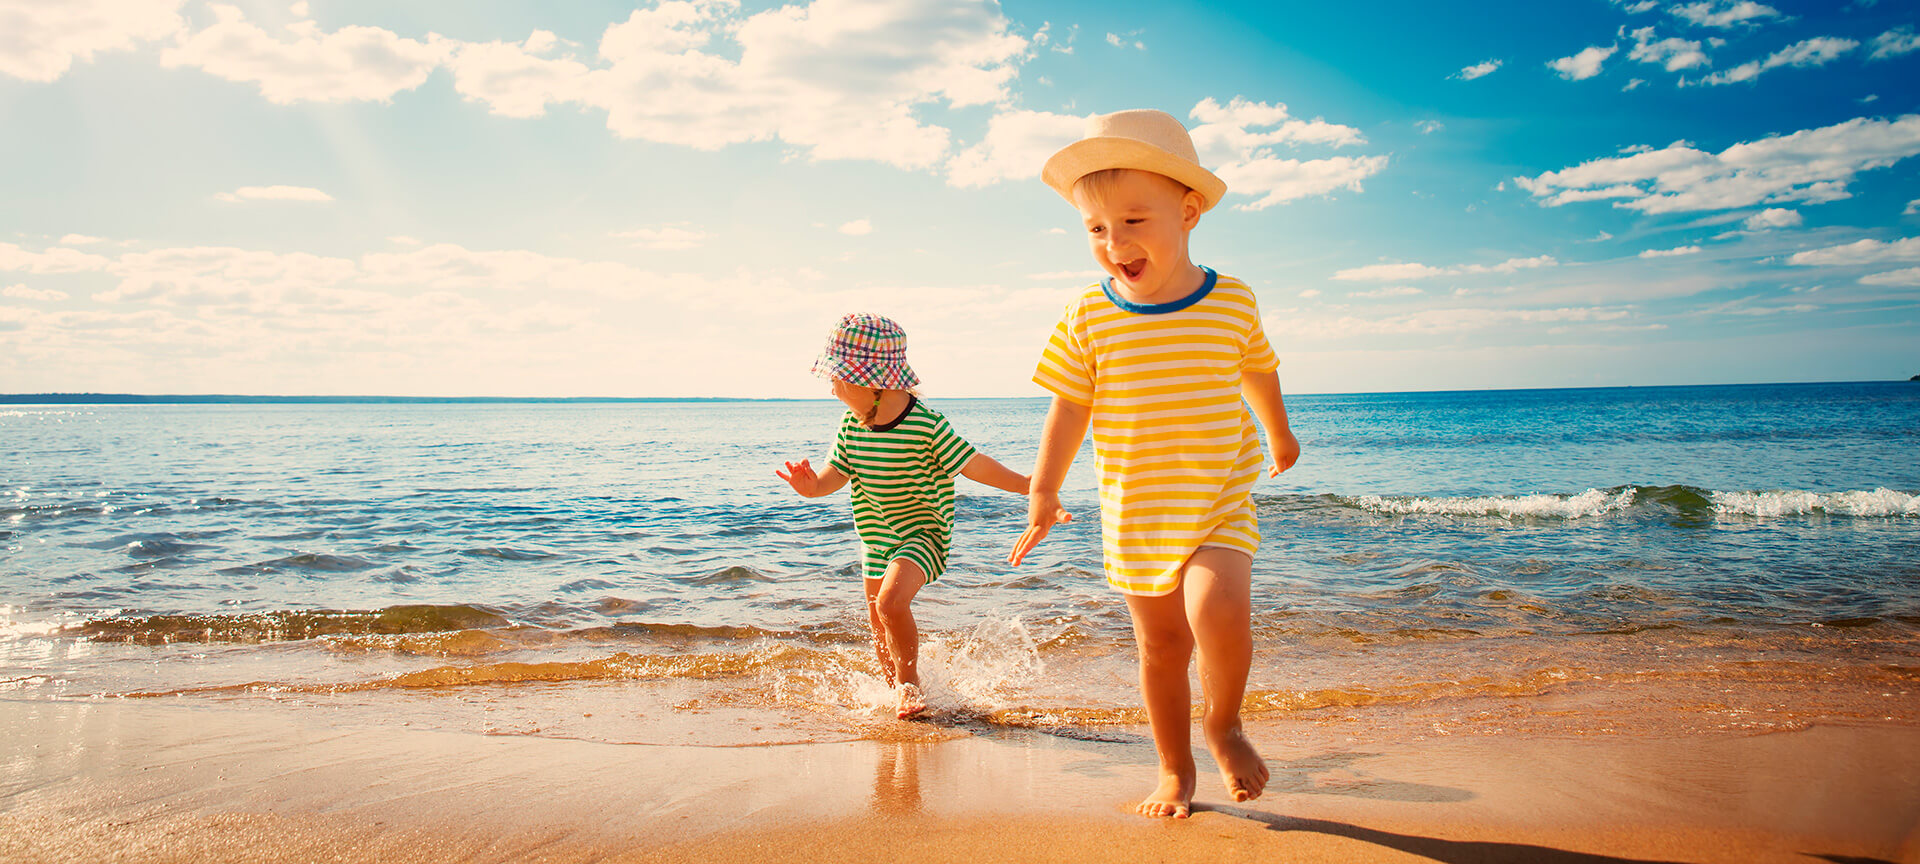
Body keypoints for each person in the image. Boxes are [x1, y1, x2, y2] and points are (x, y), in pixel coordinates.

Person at [1007, 109, 1301, 818]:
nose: (1115, 244)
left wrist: (1279, 434)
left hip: (1218, 499)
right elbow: (1069, 408)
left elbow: (1258, 370)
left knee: (1218, 609)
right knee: (1162, 648)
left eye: (1134, 221)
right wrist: (1043, 488)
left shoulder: (1231, 300)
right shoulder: (1088, 315)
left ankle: (1223, 724)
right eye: (1097, 229)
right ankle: (1174, 770)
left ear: (1189, 211)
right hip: (1137, 511)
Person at [779, 312, 1040, 720]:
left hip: (922, 535)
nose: (832, 389)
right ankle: (896, 695)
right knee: (879, 621)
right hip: (876, 537)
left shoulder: (926, 425)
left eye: (835, 379)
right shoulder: (852, 425)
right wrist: (811, 486)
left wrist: (1029, 485)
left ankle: (909, 687)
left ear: (864, 380)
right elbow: (835, 475)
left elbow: (975, 465)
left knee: (890, 603)